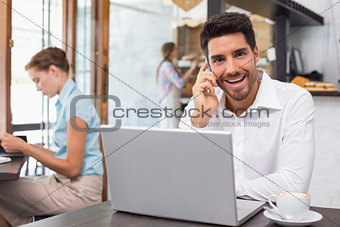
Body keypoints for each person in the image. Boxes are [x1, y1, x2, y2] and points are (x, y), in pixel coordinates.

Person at [179, 12, 315, 201]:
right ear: (208, 67)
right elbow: (182, 175)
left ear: (256, 54)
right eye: (219, 59)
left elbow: (294, 183)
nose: (232, 69)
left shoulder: (294, 100)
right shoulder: (200, 103)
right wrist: (201, 119)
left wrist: (222, 189)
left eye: (240, 54)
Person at [0, 47, 103, 226]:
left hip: (79, 191)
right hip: (67, 183)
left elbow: (72, 168)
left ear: (53, 70)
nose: (38, 88)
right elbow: (65, 156)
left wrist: (26, 148)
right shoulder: (69, 101)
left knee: (2, 189)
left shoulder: (75, 105)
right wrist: (28, 146)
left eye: (37, 80)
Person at [157, 42, 198, 128]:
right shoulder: (167, 66)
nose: (177, 50)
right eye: (175, 48)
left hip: (170, 99)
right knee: (171, 126)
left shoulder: (167, 64)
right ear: (171, 51)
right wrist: (192, 68)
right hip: (169, 100)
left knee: (170, 125)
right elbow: (180, 83)